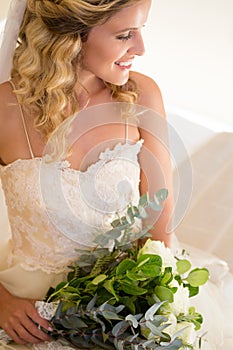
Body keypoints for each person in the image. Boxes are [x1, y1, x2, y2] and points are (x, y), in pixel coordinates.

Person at [0, 1, 232, 350]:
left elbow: (159, 231)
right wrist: (3, 303)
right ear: (70, 37)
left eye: (141, 31)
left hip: (127, 310)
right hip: (26, 312)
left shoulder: (143, 95)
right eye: (125, 35)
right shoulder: (3, 109)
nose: (140, 48)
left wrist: (144, 315)